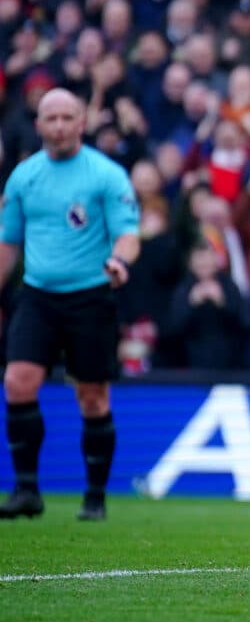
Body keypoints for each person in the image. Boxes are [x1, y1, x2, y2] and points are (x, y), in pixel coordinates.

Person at [0, 88, 140, 521]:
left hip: (90, 296)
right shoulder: (24, 177)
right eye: (50, 118)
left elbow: (128, 234)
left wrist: (118, 261)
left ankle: (94, 498)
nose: (58, 126)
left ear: (82, 122)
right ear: (38, 124)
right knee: (17, 383)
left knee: (93, 396)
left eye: (67, 117)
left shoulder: (106, 174)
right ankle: (27, 491)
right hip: (38, 295)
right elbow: (8, 244)